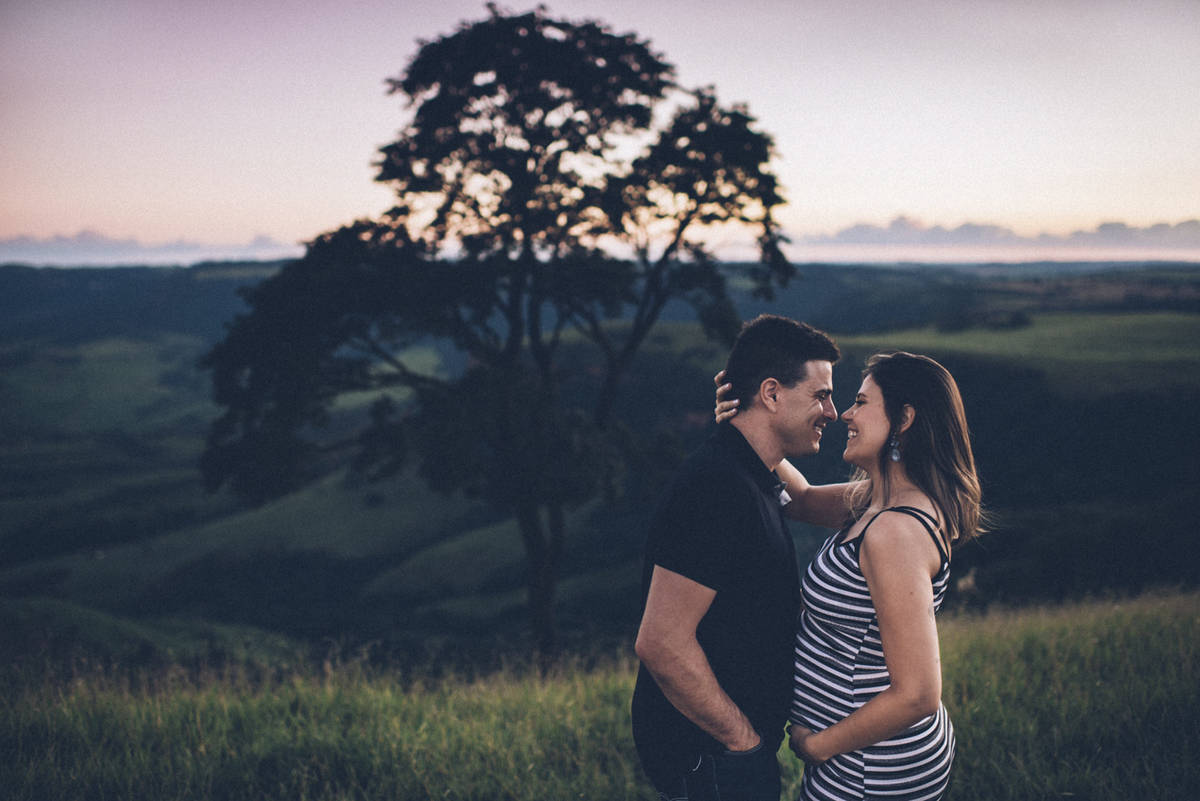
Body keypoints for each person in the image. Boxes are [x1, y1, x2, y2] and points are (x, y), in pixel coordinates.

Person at [714, 351, 984, 801]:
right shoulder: (876, 501)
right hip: (866, 755)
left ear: (904, 419)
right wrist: (750, 426)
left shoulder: (894, 532)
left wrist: (819, 746)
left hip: (869, 766)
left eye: (860, 402)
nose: (845, 415)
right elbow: (798, 499)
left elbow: (918, 692)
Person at [632, 314, 842, 801]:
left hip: (728, 752)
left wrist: (923, 497)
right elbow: (660, 643)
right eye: (821, 395)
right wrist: (742, 741)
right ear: (771, 394)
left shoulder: (750, 472)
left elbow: (812, 501)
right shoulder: (718, 487)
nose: (832, 412)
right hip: (713, 757)